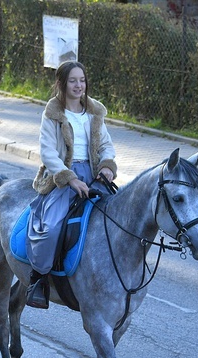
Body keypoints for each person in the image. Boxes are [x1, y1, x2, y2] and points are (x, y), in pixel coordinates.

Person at [25, 60, 118, 309]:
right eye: (73, 81)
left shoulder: (94, 112)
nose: (79, 86)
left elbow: (107, 145)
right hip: (64, 176)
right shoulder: (53, 113)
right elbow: (48, 153)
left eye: (82, 80)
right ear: (62, 84)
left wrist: (107, 166)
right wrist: (70, 178)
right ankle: (38, 278)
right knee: (53, 225)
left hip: (94, 174)